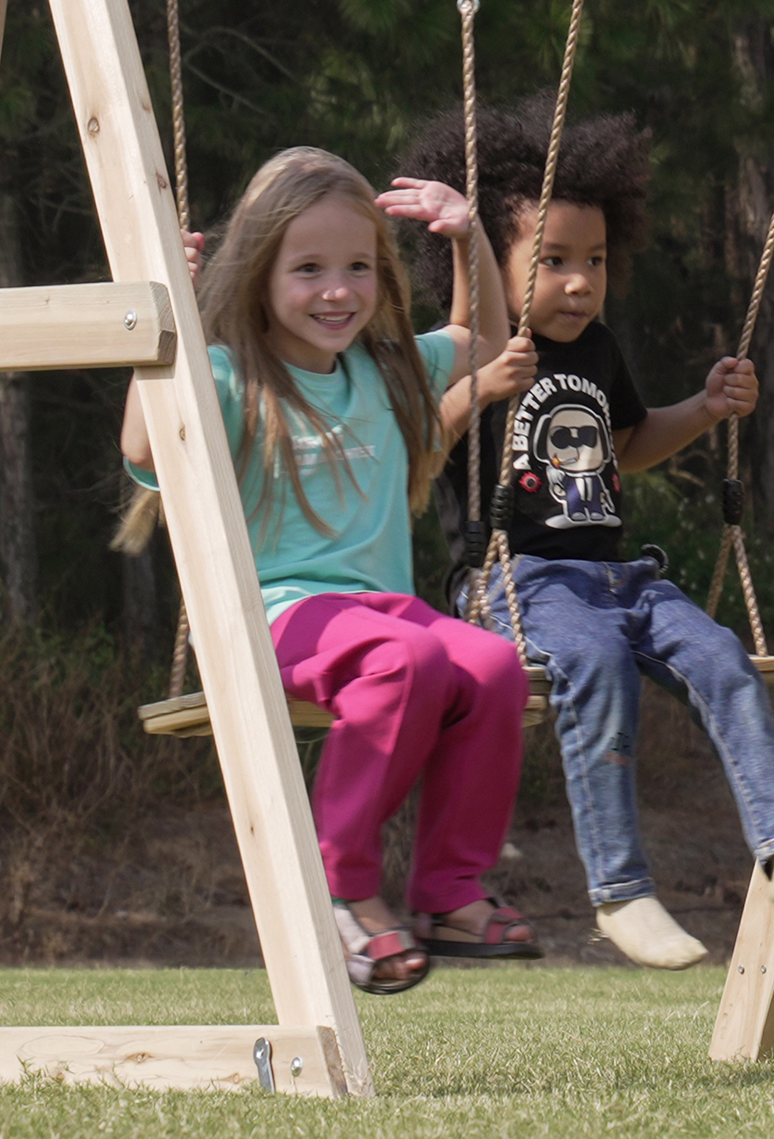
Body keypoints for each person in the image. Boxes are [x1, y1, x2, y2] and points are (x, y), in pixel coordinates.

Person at [402, 101, 774, 970]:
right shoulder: (483, 350)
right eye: (555, 261)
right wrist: (485, 386)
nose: (580, 282)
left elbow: (631, 445)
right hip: (518, 580)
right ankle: (620, 893)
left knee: (721, 656)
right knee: (600, 673)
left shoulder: (598, 349)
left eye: (595, 261)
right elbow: (426, 448)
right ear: (499, 267)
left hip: (617, 576)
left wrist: (704, 407)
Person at [124, 144, 539, 997]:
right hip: (270, 615)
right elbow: (142, 445)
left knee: (494, 666)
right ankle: (339, 884)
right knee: (408, 658)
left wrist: (468, 245)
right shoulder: (229, 375)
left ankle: (448, 891)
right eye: (308, 269)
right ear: (259, 272)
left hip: (378, 612)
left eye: (356, 267)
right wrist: (165, 300)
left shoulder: (384, 374)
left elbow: (485, 338)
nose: (337, 290)